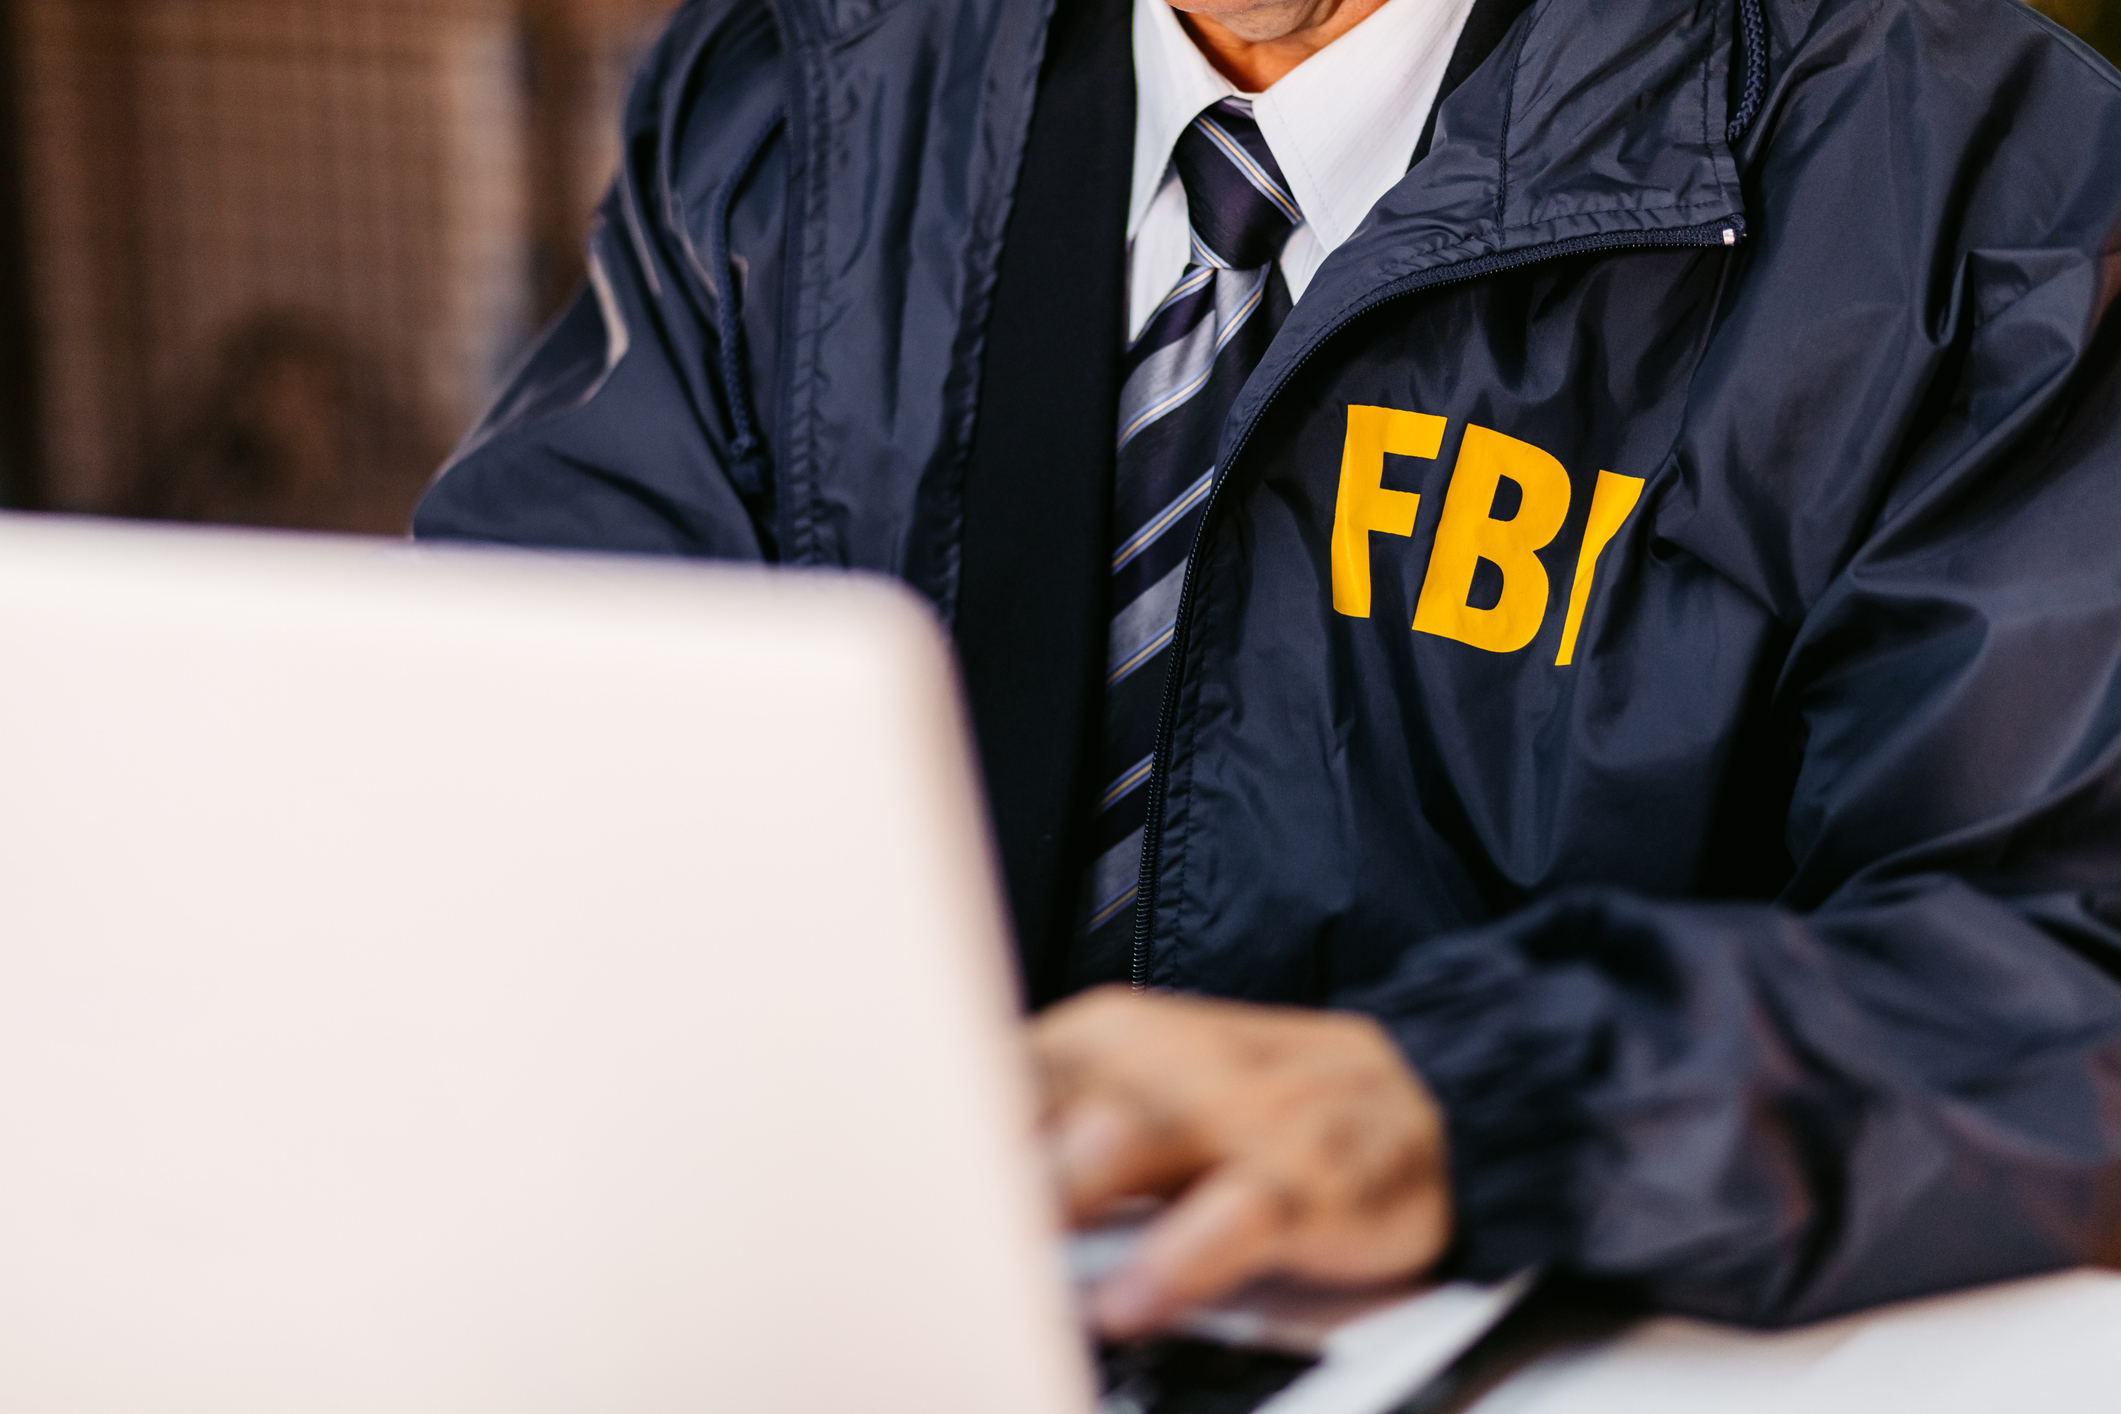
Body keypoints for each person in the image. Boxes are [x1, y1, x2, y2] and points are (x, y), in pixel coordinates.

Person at [415, 0, 2121, 1334]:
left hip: (1550, 1332)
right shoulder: (801, 89)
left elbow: (2062, 981)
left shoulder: (1967, 186)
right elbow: (514, 751)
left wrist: (1473, 1106)